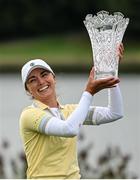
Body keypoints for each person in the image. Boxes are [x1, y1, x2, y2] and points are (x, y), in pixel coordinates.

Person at [19, 44, 124, 179]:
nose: (40, 81)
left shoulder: (71, 111)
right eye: (32, 80)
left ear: (53, 78)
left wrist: (111, 72)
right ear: (28, 90)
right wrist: (89, 92)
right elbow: (68, 129)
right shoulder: (29, 115)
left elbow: (115, 113)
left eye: (44, 74)